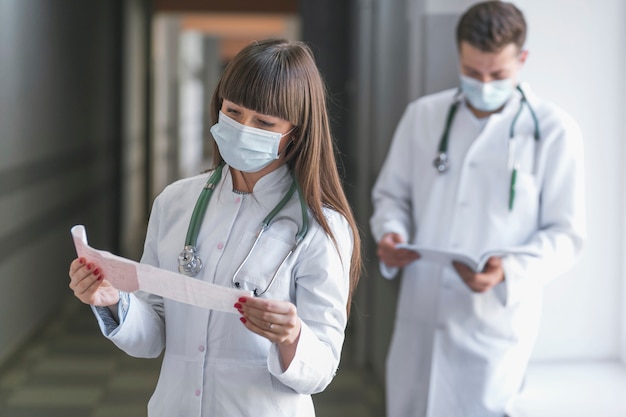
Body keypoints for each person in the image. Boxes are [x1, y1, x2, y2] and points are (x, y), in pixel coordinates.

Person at [69, 39, 361, 417]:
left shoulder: (321, 226)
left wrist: (292, 337)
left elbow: (320, 370)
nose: (243, 128)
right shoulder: (175, 203)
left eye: (264, 122)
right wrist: (113, 301)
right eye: (234, 111)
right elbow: (154, 335)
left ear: (296, 132)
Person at [369, 2, 585, 416]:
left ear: (521, 60)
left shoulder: (554, 131)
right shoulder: (423, 116)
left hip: (492, 325)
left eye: (497, 74)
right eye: (472, 72)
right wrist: (390, 232)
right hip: (421, 312)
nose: (484, 84)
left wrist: (510, 270)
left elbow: (566, 234)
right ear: (459, 57)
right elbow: (391, 196)